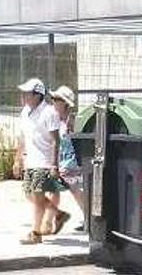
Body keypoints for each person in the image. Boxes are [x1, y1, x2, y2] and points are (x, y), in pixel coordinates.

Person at [13, 78, 71, 245]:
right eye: (22, 93)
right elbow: (22, 138)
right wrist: (18, 160)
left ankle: (35, 233)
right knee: (28, 194)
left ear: (38, 95)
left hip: (43, 162)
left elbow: (55, 141)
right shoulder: (25, 112)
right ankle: (58, 214)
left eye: (27, 93)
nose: (23, 96)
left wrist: (54, 164)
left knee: (38, 198)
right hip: (30, 161)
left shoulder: (49, 112)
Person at [41, 85, 87, 234]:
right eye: (53, 99)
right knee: (56, 191)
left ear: (65, 103)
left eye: (57, 99)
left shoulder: (71, 120)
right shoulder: (56, 120)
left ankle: (89, 220)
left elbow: (77, 142)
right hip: (61, 163)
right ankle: (50, 221)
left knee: (76, 192)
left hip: (71, 163)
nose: (53, 102)